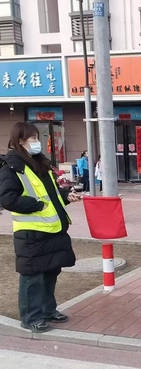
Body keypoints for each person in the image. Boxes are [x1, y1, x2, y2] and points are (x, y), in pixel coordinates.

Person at [0, 122, 82, 333]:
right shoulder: (12, 166)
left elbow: (50, 195)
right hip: (32, 234)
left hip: (52, 231)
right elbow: (7, 198)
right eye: (33, 138)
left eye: (37, 138)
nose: (37, 143)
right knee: (32, 277)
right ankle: (31, 317)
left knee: (50, 273)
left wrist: (66, 197)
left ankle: (48, 310)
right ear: (20, 141)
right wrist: (35, 205)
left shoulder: (38, 163)